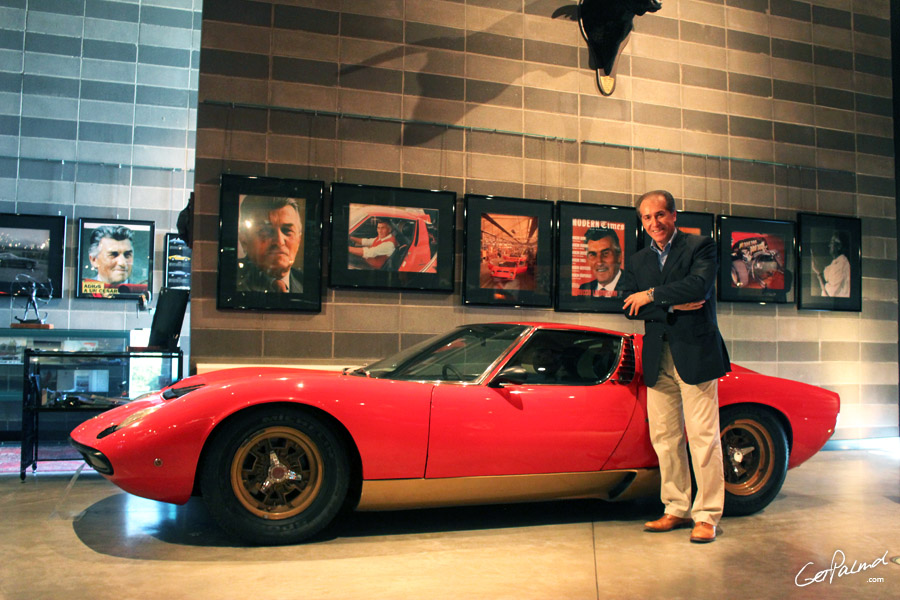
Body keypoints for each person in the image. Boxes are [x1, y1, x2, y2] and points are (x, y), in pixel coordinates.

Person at [621, 190, 731, 544]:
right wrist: (674, 303)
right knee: (665, 438)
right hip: (658, 357)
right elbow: (626, 306)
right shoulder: (637, 261)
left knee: (703, 438)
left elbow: (699, 287)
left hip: (696, 355)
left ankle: (708, 515)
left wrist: (651, 296)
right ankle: (676, 507)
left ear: (674, 215)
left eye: (660, 215)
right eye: (647, 218)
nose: (654, 223)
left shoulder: (701, 247)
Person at [237, 196, 304, 293]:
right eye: (266, 231)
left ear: (298, 240)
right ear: (244, 240)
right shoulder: (230, 280)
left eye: (287, 231)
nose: (280, 241)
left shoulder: (307, 284)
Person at [82, 225, 147, 298]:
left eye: (127, 255)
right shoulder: (84, 289)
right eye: (113, 254)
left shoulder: (141, 292)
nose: (122, 263)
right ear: (94, 260)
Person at [578, 227, 623, 297]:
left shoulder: (631, 287)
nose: (599, 262)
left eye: (605, 253)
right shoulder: (583, 288)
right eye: (593, 254)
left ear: (619, 257)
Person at [811, 231, 850, 298]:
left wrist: (818, 273)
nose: (829, 245)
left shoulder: (841, 265)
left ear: (839, 246)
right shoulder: (836, 264)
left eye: (832, 243)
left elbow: (829, 294)